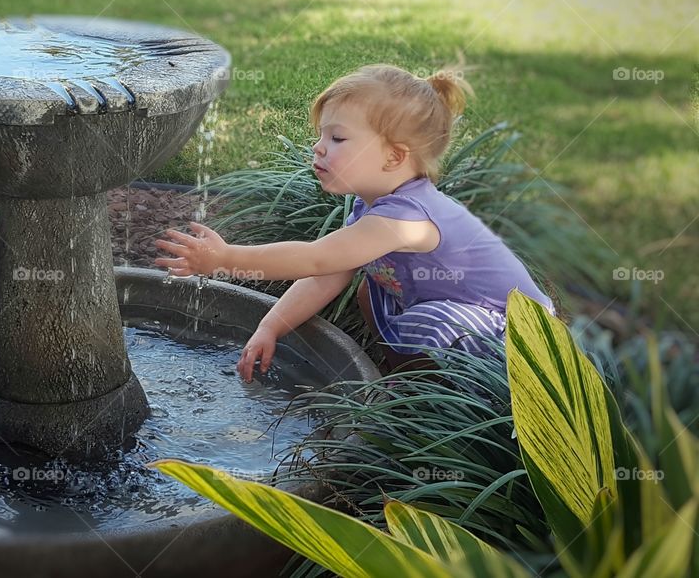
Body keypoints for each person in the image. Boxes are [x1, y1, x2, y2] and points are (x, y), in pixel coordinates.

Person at [154, 63, 556, 382]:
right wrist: (270, 327)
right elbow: (326, 274)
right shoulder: (371, 206)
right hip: (465, 317)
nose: (318, 146)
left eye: (338, 139)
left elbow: (314, 259)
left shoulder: (408, 220)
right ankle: (405, 377)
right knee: (369, 288)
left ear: (394, 158)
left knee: (431, 324)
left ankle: (444, 400)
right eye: (321, 135)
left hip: (518, 338)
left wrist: (225, 258)